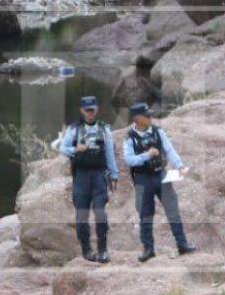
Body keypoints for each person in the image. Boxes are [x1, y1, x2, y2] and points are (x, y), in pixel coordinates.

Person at [123, 102, 197, 263]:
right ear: (137, 118)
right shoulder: (130, 137)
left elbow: (169, 150)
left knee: (172, 209)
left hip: (161, 174)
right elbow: (128, 160)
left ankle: (182, 244)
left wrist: (179, 165)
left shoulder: (158, 131)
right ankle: (148, 249)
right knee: (145, 214)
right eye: (146, 115)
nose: (150, 118)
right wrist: (146, 156)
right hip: (142, 178)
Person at [59, 96, 119, 263]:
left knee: (100, 213)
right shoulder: (74, 129)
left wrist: (114, 175)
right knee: (81, 216)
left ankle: (103, 250)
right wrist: (75, 148)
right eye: (87, 110)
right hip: (81, 177)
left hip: (99, 176)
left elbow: (109, 153)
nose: (90, 113)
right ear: (82, 110)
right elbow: (62, 148)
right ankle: (86, 250)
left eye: (92, 110)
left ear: (97, 109)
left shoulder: (104, 129)